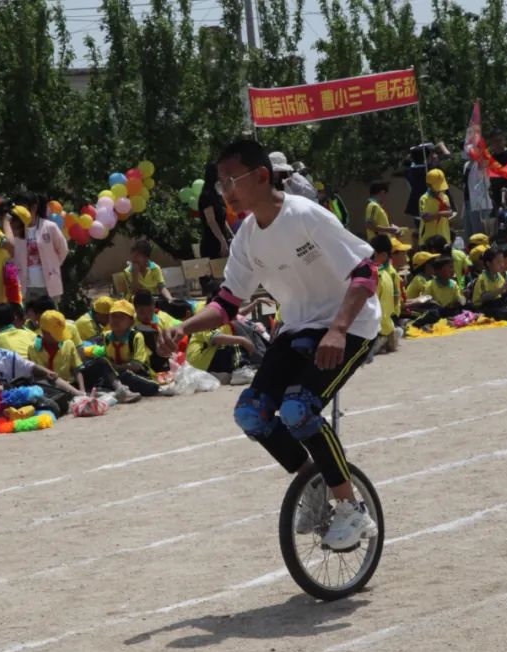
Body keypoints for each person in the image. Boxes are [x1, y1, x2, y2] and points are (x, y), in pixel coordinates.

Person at [158, 138, 381, 550]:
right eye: (221, 183)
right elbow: (226, 303)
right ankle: (313, 483)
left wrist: (338, 328)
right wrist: (184, 326)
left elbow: (366, 272)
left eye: (231, 181)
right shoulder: (245, 236)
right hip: (298, 328)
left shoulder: (305, 216)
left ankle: (352, 507)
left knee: (299, 409)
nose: (225, 191)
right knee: (251, 414)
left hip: (349, 326)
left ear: (261, 176)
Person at [103, 300, 172, 397]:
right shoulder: (106, 337)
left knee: (128, 377)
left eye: (121, 317)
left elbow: (136, 365)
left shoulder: (136, 337)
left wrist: (116, 368)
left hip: (138, 374)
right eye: (113, 316)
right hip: (117, 374)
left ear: (131, 321)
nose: (116, 320)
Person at [11, 193, 69, 304]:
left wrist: (52, 266)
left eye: (22, 208)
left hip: (49, 287)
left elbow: (63, 250)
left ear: (34, 207)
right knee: (29, 320)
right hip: (25, 288)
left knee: (50, 319)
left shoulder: (50, 227)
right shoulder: (16, 230)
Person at [113, 238, 173, 305]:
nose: (134, 258)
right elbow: (136, 292)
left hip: (153, 300)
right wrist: (135, 275)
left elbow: (161, 287)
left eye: (137, 255)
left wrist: (170, 298)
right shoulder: (128, 271)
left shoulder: (155, 268)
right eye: (133, 254)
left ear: (146, 258)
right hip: (136, 301)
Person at [198, 162, 234, 261]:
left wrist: (231, 234)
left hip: (222, 241)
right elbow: (211, 221)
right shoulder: (206, 196)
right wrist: (222, 242)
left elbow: (222, 218)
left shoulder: (218, 195)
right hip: (212, 244)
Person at [419, 169, 453, 244]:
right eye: (437, 186)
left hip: (444, 238)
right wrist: (441, 213)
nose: (439, 189)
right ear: (429, 185)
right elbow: (426, 218)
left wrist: (448, 212)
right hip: (428, 239)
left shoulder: (445, 197)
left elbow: (450, 212)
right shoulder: (424, 199)